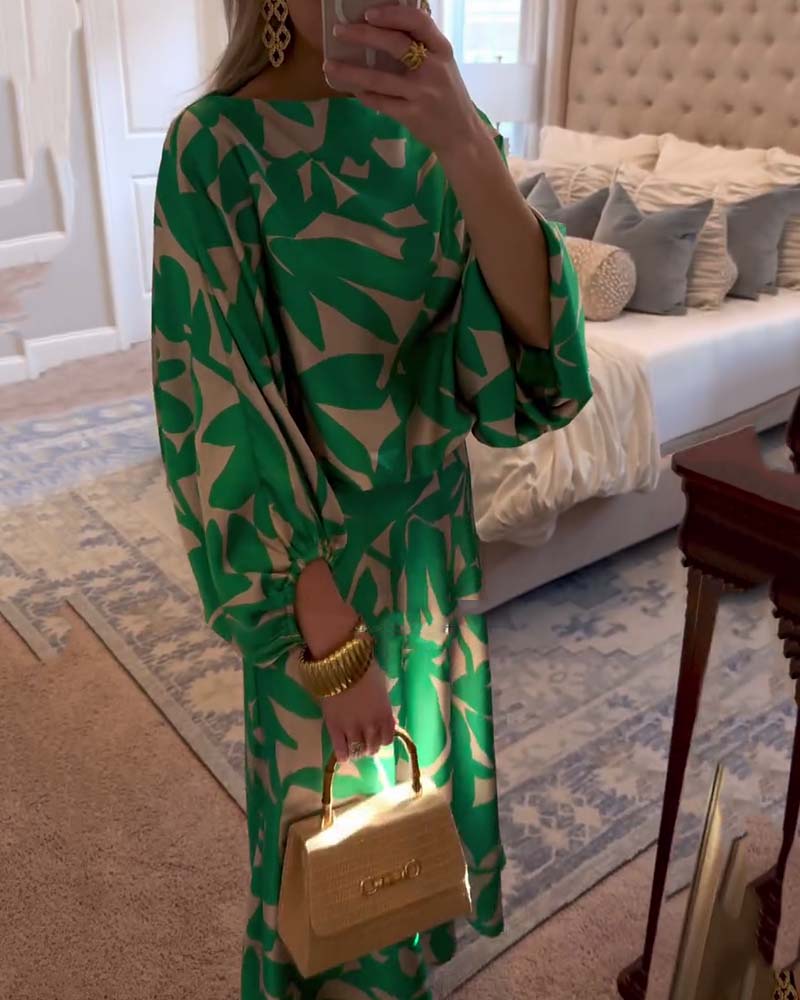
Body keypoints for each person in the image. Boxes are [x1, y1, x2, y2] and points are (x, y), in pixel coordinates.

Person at [150, 1, 592, 997]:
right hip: (316, 576)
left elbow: (535, 364)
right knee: (323, 840)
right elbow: (218, 399)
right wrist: (329, 642)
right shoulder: (214, 146)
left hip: (433, 552)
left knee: (410, 831)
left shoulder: (443, 126)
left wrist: (466, 144)